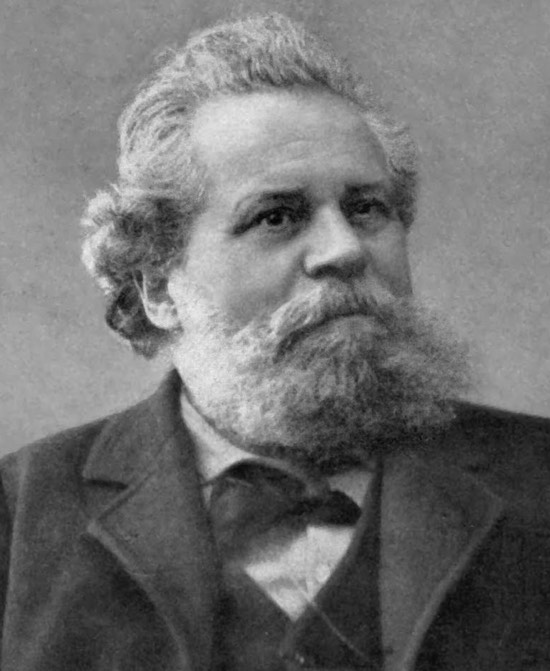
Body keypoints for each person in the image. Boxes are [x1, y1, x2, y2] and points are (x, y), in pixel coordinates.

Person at [1, 12, 549, 671]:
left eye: (366, 208)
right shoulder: (17, 517)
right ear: (158, 287)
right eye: (277, 216)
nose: (344, 250)